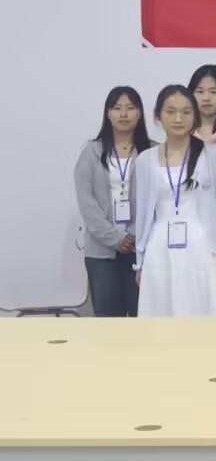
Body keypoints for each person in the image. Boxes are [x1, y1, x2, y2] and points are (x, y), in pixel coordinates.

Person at [134, 85, 216, 317]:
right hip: (160, 247)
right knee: (162, 315)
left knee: (204, 314)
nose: (178, 119)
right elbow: (143, 214)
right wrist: (140, 259)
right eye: (170, 112)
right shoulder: (145, 160)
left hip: (204, 247)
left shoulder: (211, 156)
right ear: (158, 115)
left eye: (186, 112)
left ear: (195, 116)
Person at [74, 86, 152, 317]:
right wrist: (115, 237)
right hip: (101, 251)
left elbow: (156, 201)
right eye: (117, 108)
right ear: (108, 113)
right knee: (108, 320)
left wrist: (133, 234)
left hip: (142, 249)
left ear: (140, 113)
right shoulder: (92, 151)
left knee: (143, 316)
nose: (124, 114)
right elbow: (86, 201)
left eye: (130, 108)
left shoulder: (152, 151)